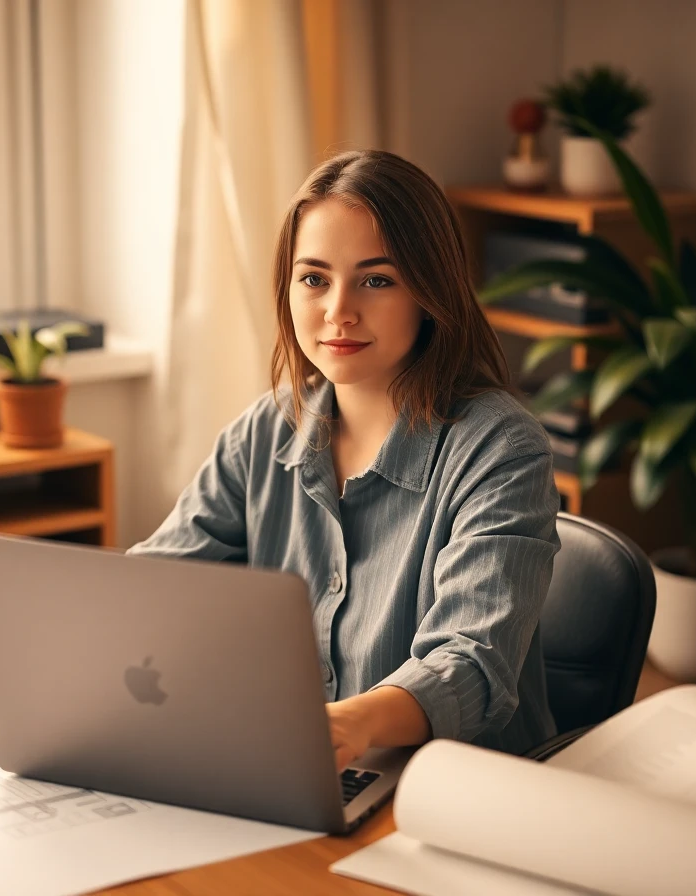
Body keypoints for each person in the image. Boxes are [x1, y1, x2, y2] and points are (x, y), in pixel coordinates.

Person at [128, 149, 560, 768]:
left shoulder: (502, 450)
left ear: (429, 291)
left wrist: (342, 727)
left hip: (451, 792)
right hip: (292, 761)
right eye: (314, 279)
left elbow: (470, 662)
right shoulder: (265, 429)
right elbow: (155, 584)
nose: (338, 311)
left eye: (376, 280)